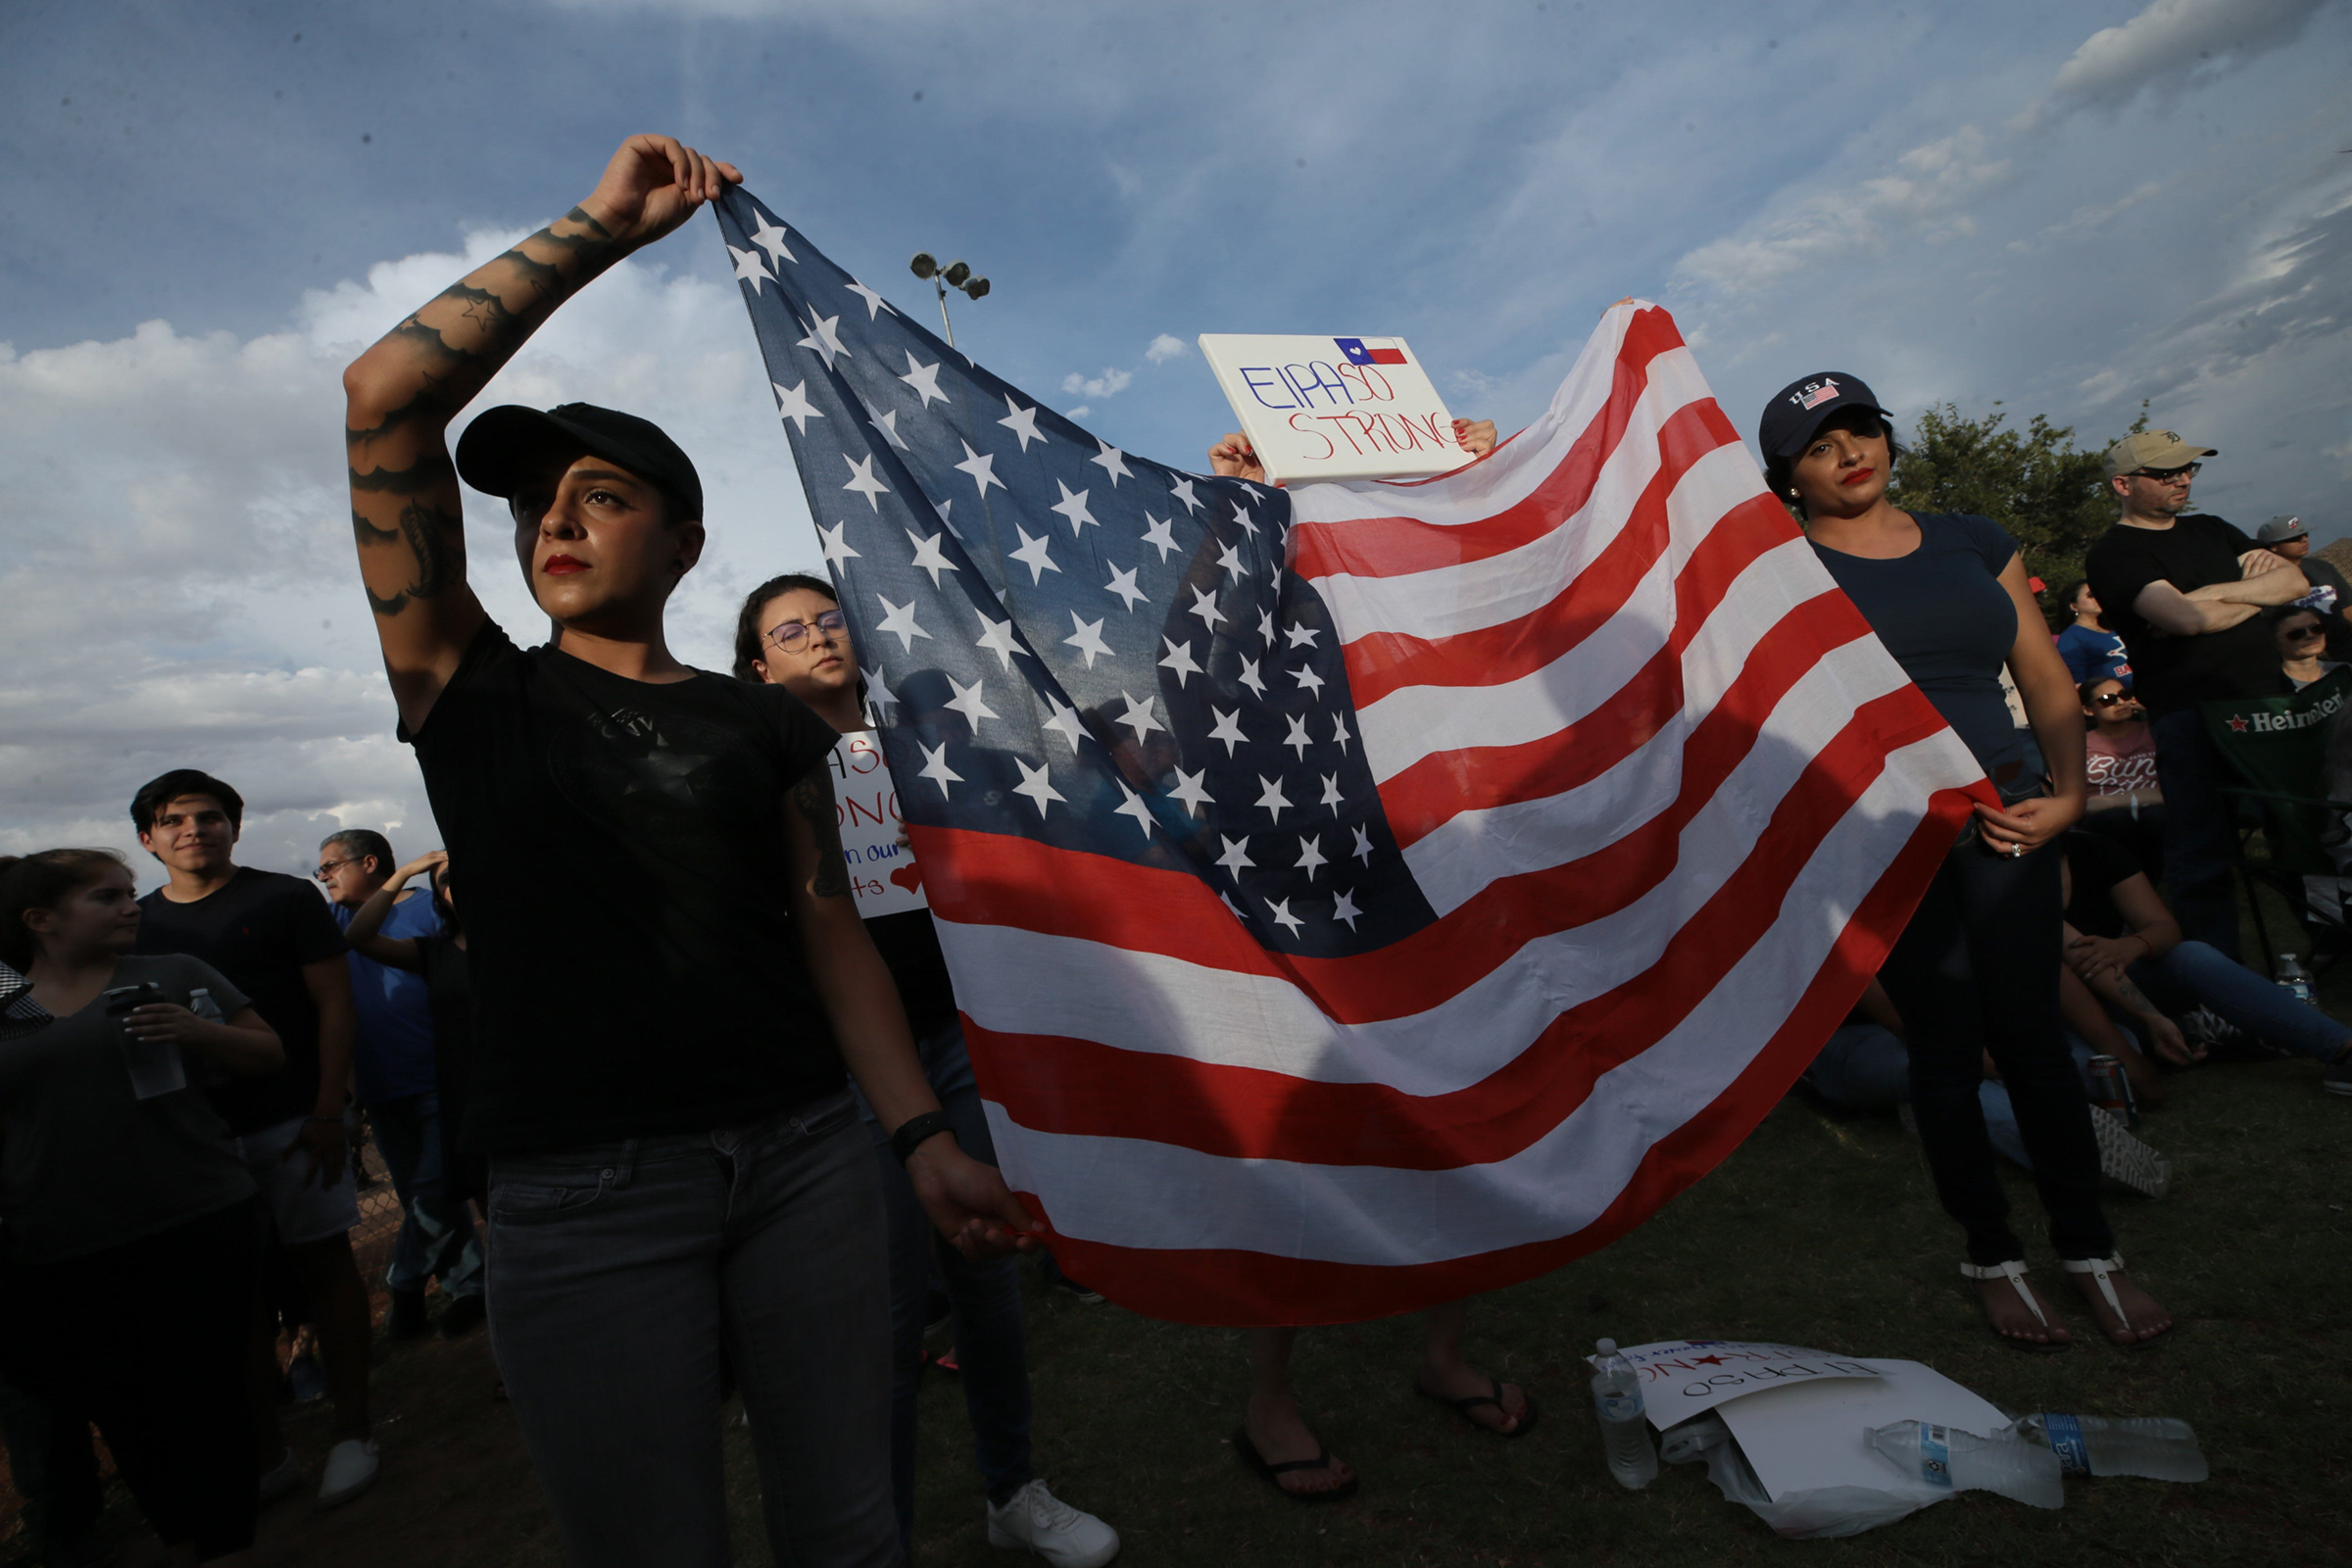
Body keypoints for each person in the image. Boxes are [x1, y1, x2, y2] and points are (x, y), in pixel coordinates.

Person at [341, 132, 1035, 1567]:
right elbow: (384, 399)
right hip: (583, 1199)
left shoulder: (761, 727)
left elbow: (828, 929)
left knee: (849, 1528)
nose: (554, 520)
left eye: (601, 493)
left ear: (684, 541)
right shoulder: (471, 690)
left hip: (807, 1166)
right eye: (537, 504)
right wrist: (602, 229)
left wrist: (915, 1139)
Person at [1761, 370, 2170, 1350]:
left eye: (1860, 431)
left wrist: (2068, 795)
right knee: (1943, 1049)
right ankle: (1992, 1256)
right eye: (1820, 445)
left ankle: (2090, 1250)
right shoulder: (1775, 565)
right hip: (1887, 836)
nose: (1849, 454)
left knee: (2033, 1037)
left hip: (2010, 818)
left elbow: (2042, 674)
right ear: (1788, 478)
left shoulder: (1972, 538)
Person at [737, 573, 1119, 1567]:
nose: (820, 635)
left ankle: (1012, 1489)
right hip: (854, 1063)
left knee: (985, 1272)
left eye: (831, 617)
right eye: (791, 629)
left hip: (958, 1033)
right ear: (757, 666)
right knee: (887, 1310)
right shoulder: (753, 766)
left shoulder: (928, 740)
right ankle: (882, 1539)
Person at [1206, 419, 1534, 1497]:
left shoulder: (1392, 602)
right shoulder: (1246, 625)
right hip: (1304, 923)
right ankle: (1271, 1399)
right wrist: (1235, 513)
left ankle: (1443, 1356)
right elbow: (1196, 646)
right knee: (1306, 1163)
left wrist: (1459, 473)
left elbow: (1478, 601)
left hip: (1436, 891)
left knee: (1465, 1125)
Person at [0, 849, 287, 1563]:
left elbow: (268, 1051)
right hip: (62, 1240)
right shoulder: (11, 1006)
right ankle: (184, 1530)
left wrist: (199, 1032)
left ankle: (227, 1545)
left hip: (196, 1216)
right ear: (41, 920)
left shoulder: (170, 976)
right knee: (123, 1408)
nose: (132, 905)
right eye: (107, 897)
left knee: (209, 1392)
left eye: (130, 893)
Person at [125, 770, 379, 1507]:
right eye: (173, 820)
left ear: (235, 826)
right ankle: (268, 1453)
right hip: (196, 1138)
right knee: (230, 1297)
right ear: (147, 839)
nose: (193, 830)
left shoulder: (282, 898)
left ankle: (353, 1432)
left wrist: (331, 1110)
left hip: (293, 1119)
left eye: (209, 817)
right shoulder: (137, 925)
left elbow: (334, 1008)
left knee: (325, 1269)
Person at [2084, 432, 2309, 961]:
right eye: (2165, 473)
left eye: (2187, 470)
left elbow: (2294, 582)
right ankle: (2217, 981)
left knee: (2301, 833)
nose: (2182, 479)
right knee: (2202, 853)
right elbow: (2184, 621)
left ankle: (2319, 940)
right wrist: (2222, 604)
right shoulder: (2115, 553)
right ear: (2123, 484)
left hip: (2270, 705)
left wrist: (2207, 599)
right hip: (2192, 717)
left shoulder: (2211, 528)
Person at [317, 830, 486, 1340]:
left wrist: (409, 875)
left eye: (329, 867)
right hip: (380, 1082)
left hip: (439, 1075)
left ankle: (406, 1284)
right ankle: (468, 1287)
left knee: (436, 1188)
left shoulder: (429, 909)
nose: (322, 877)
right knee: (423, 1197)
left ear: (367, 863)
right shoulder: (334, 921)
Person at [2060, 831, 2352, 1098]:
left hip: (2116, 983)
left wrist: (2132, 944)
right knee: (2098, 1072)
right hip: (2059, 1008)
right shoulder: (2019, 868)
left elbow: (2163, 928)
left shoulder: (2093, 848)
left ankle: (2342, 1048)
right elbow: (2075, 970)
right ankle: (2185, 1032)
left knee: (2191, 955)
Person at [2076, 676, 2165, 882]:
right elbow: (2059, 787)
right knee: (2116, 820)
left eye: (2124, 695)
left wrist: (2149, 709)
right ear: (2089, 710)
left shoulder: (2154, 730)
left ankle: (2150, 885)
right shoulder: (2081, 744)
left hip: (2155, 809)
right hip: (2105, 817)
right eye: (2107, 699)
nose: (2119, 702)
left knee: (2156, 818)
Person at [2257, 515, 2351, 659]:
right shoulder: (2264, 583)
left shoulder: (2323, 568)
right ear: (2273, 546)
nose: (2304, 540)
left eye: (2304, 534)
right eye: (2294, 538)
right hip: (2306, 661)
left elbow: (2348, 608)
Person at [2052, 580, 2132, 687]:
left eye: (2099, 594)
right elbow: (2077, 680)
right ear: (2074, 606)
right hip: (2116, 699)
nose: (2098, 599)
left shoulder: (2113, 628)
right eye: (2091, 596)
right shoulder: (2072, 637)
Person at [2271, 604, 2344, 692]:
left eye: (2316, 628)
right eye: (2296, 633)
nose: (2310, 635)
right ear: (2276, 643)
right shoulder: (2274, 690)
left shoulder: (2344, 672)